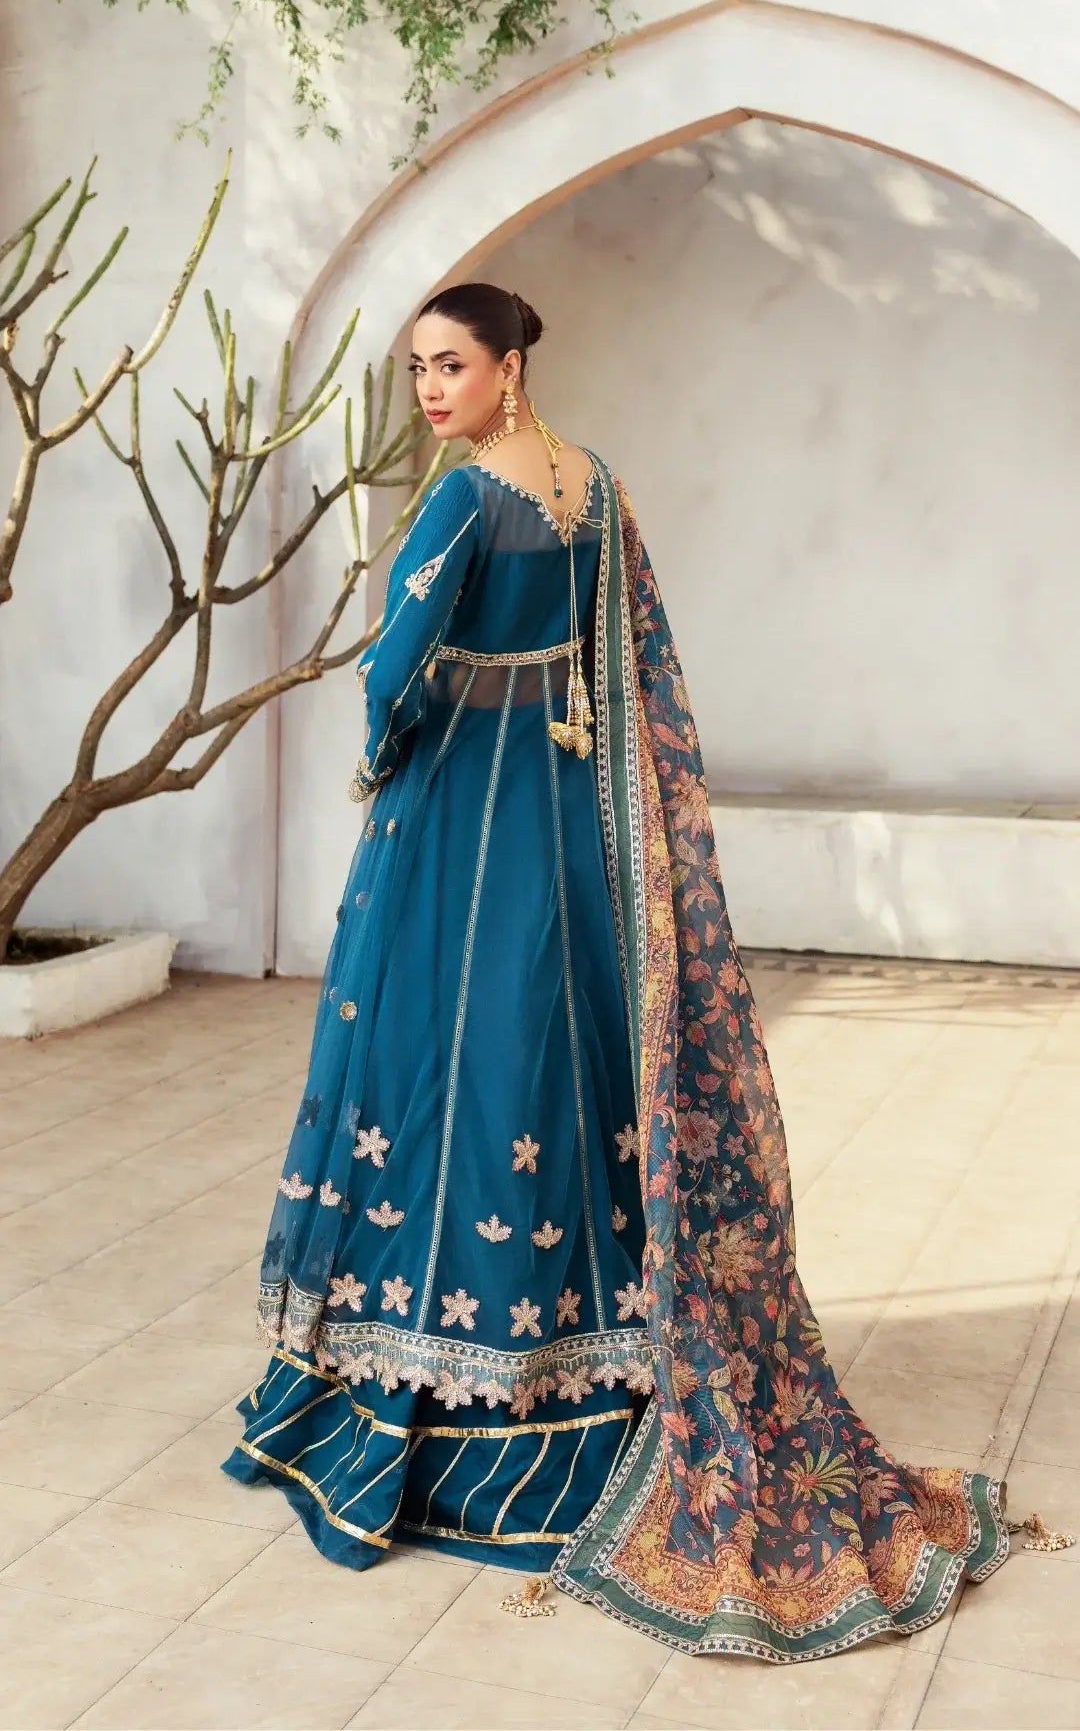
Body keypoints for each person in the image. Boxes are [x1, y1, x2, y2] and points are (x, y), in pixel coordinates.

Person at [222, 282, 1072, 1660]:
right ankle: (603, 1364)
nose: (431, 391)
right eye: (419, 371)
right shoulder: (594, 486)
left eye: (451, 366)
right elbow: (639, 661)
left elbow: (394, 671)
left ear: (508, 366)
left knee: (438, 1067)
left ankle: (435, 1405)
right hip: (571, 819)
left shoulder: (458, 502)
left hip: (462, 816)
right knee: (555, 1055)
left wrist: (385, 757)